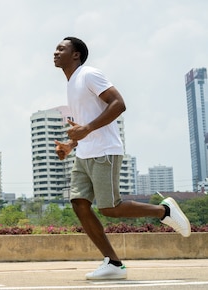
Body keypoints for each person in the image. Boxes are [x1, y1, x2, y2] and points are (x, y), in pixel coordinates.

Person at [53, 36, 191, 281]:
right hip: (84, 154)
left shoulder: (89, 74)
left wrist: (85, 130)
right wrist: (70, 144)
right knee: (79, 203)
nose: (55, 52)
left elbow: (118, 104)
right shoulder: (71, 84)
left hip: (104, 151)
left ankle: (164, 210)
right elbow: (83, 125)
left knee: (110, 208)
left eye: (61, 49)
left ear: (76, 54)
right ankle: (113, 262)